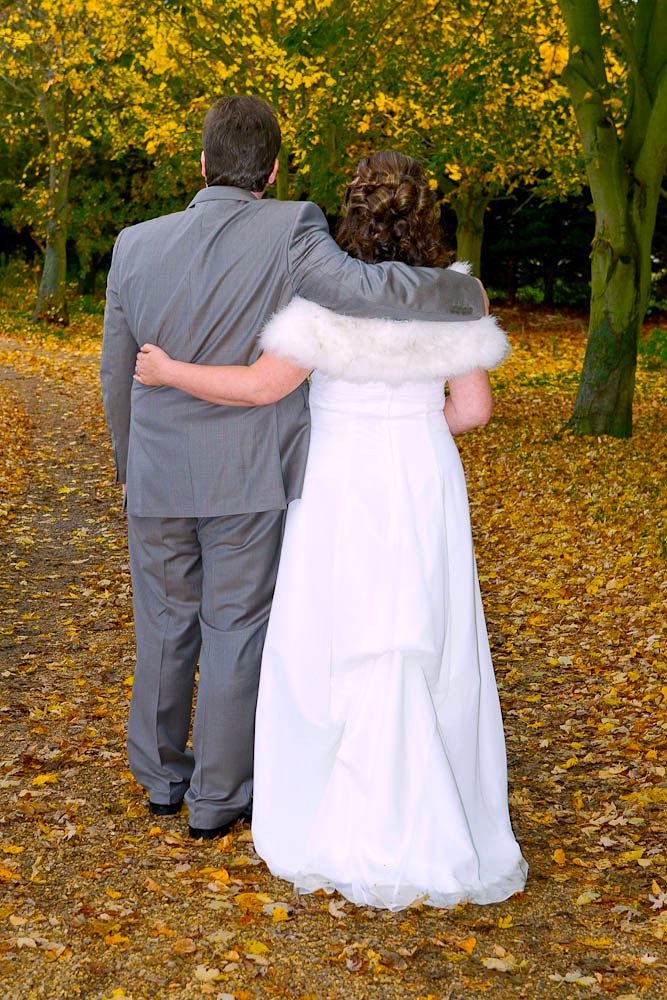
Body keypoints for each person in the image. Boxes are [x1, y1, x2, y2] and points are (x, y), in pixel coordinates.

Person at [134, 151, 528, 909]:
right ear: (425, 216)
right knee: (422, 637)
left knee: (336, 637)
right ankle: (435, 817)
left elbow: (258, 388)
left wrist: (169, 372)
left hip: (342, 480)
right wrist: (415, 427)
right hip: (419, 476)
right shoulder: (459, 296)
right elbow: (473, 410)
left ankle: (331, 808)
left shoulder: (318, 305)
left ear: (347, 214)